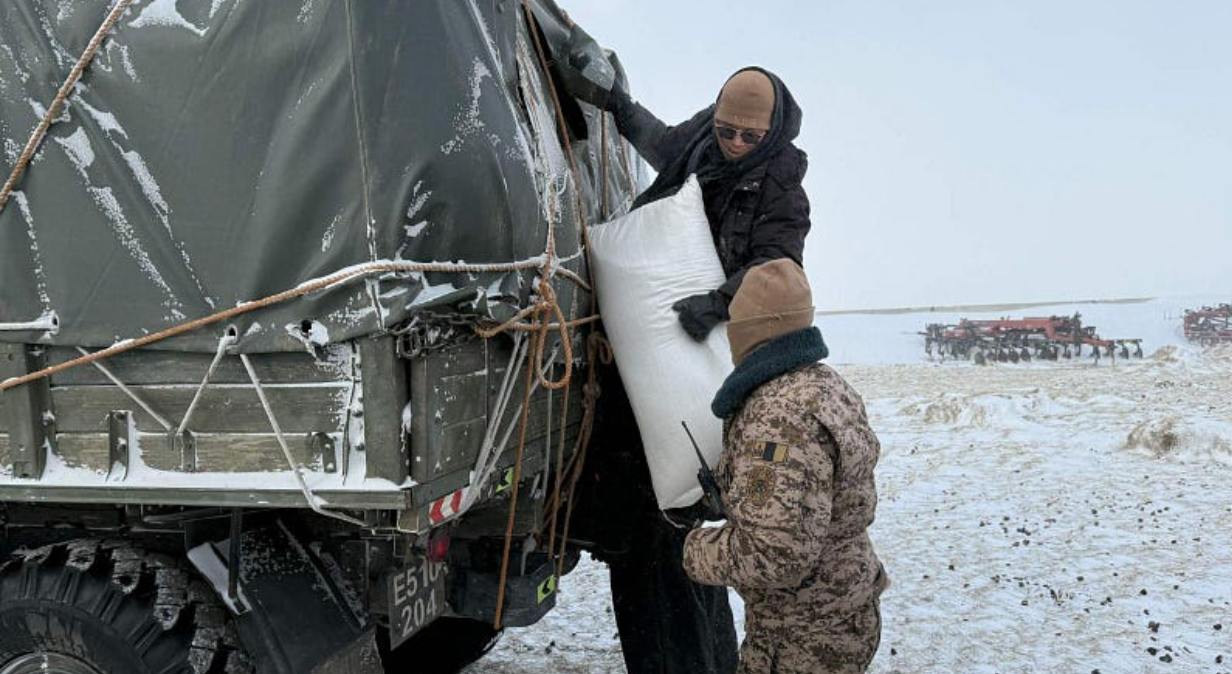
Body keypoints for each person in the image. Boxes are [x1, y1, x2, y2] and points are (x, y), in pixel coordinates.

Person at [559, 59, 812, 674]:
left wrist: (719, 302)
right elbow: (661, 142)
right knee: (664, 537)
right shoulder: (703, 138)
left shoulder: (781, 186)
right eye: (729, 131)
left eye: (750, 137)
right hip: (654, 346)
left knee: (674, 530)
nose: (734, 144)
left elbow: (779, 270)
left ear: (773, 132)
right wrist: (618, 105)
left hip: (709, 356)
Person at [683, 259, 888, 674]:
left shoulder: (777, 417)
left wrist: (694, 550)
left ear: (747, 330)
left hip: (800, 635)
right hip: (845, 608)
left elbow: (775, 554)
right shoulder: (826, 385)